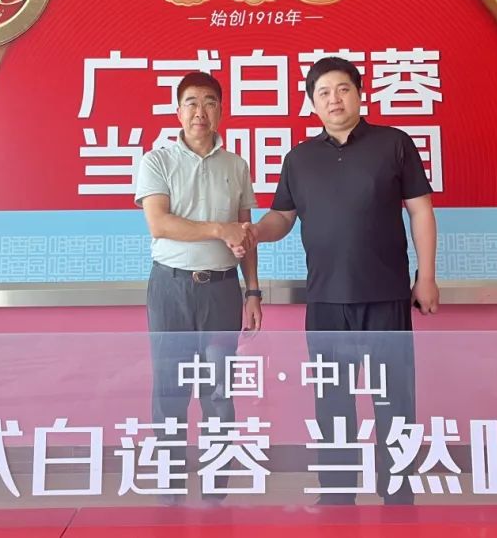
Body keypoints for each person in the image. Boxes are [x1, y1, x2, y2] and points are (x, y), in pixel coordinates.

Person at [244, 56, 438, 506]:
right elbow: (281, 218)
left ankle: (398, 492)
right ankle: (336, 492)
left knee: (395, 400)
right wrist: (253, 232)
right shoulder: (299, 158)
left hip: (386, 294)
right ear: (312, 103)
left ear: (360, 94)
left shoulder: (394, 144)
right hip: (326, 299)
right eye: (324, 93)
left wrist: (425, 276)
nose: (334, 99)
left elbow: (421, 211)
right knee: (332, 401)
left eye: (343, 89)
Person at [134, 70, 262, 502]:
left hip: (222, 291)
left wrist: (253, 291)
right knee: (169, 388)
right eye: (191, 102)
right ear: (178, 111)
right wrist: (218, 229)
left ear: (221, 110)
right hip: (171, 289)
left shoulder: (236, 166)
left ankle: (215, 489)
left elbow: (245, 233)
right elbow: (160, 223)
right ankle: (170, 486)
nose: (199, 111)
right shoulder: (157, 161)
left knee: (219, 391)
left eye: (209, 102)